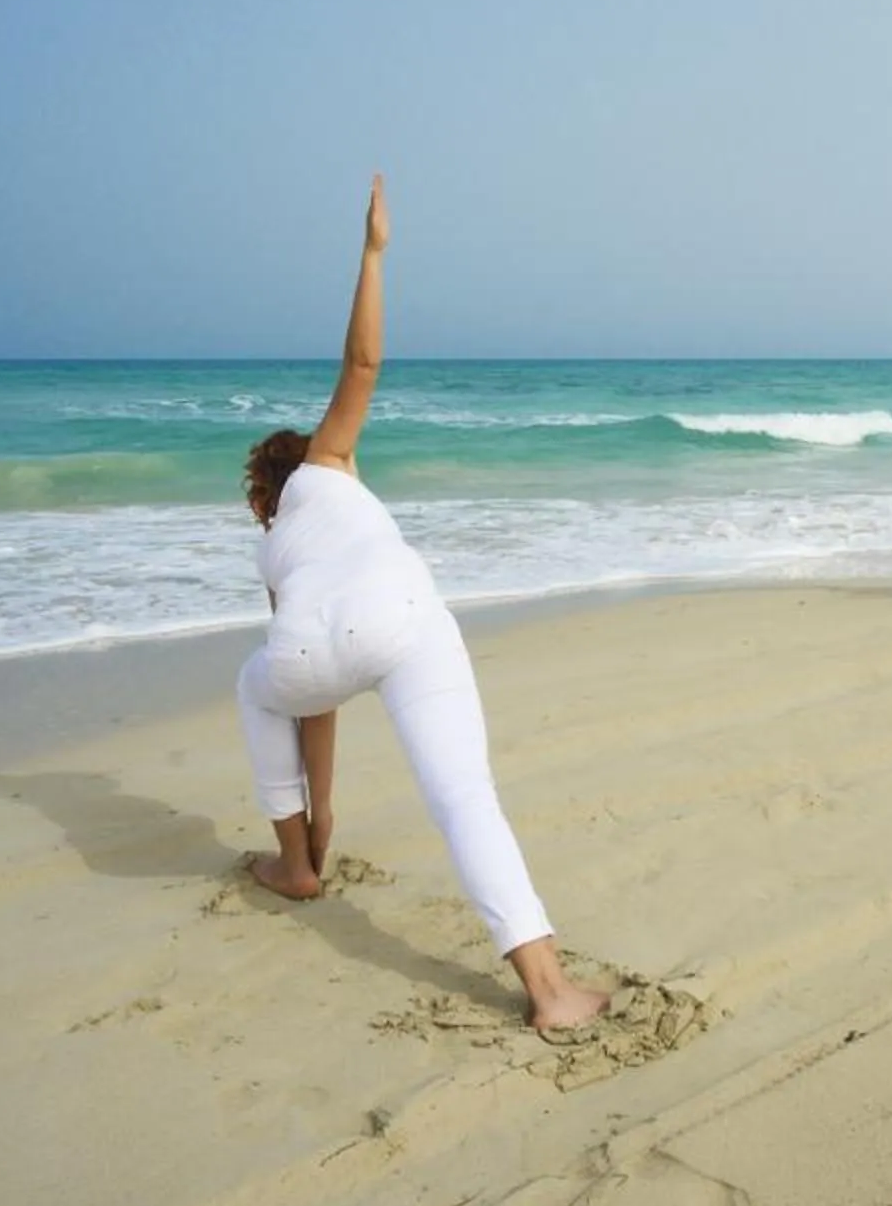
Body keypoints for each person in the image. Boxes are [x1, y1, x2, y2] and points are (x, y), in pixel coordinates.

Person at [237, 175, 612, 1030]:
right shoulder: (331, 466)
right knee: (464, 799)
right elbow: (363, 364)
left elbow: (316, 698)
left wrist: (322, 814)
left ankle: (295, 862)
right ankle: (551, 990)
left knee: (255, 686)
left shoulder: (273, 550)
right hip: (406, 614)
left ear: (263, 496)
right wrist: (373, 254)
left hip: (308, 649)